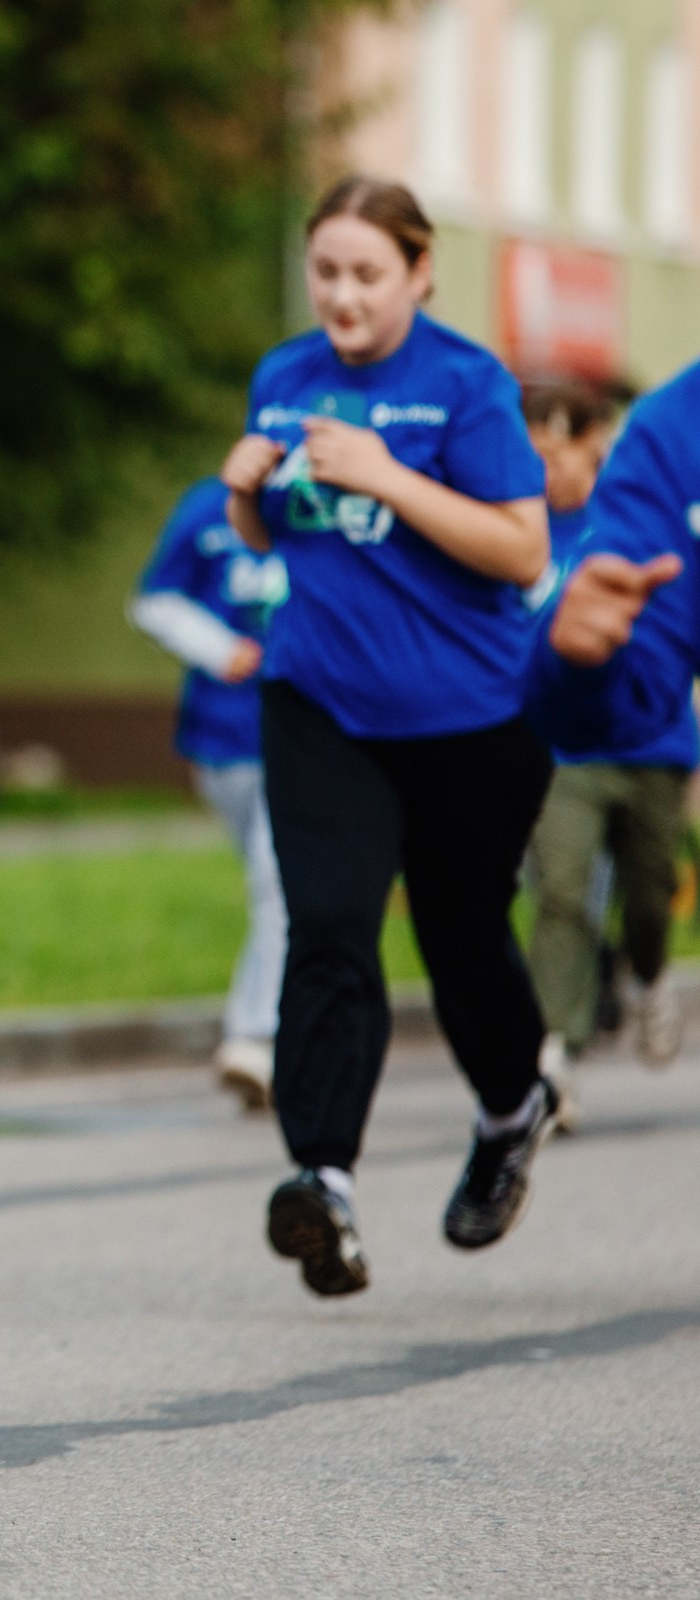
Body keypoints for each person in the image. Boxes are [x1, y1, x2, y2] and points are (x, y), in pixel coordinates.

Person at [220, 175, 559, 1299]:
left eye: (368, 274)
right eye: (326, 272)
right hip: (320, 701)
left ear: (419, 272)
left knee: (462, 936)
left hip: (472, 718)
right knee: (327, 926)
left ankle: (513, 1107)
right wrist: (243, 497)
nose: (344, 297)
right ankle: (323, 1181)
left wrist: (389, 478)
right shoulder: (284, 376)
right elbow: (277, 532)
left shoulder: (467, 383)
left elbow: (521, 549)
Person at [519, 379, 686, 1118]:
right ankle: (552, 1052)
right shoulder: (520, 530)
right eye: (534, 452)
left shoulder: (631, 506)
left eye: (563, 450)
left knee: (649, 895)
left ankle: (649, 976)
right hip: (570, 753)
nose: (548, 468)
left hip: (658, 746)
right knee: (563, 892)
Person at [129, 478, 289, 1110]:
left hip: (306, 734)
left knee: (278, 881)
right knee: (275, 885)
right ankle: (285, 1033)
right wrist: (218, 649)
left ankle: (256, 1036)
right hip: (223, 737)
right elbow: (154, 600)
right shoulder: (205, 506)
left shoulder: (335, 502)